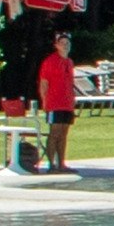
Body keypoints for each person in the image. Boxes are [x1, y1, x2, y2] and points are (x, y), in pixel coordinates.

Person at [35, 32, 78, 172]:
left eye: (67, 43)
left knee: (64, 133)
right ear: (56, 45)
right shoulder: (50, 61)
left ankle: (62, 163)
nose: (65, 46)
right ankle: (51, 164)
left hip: (67, 103)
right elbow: (44, 84)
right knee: (55, 132)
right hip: (54, 102)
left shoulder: (69, 62)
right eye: (62, 43)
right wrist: (45, 101)